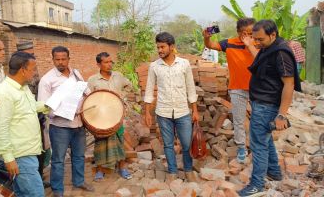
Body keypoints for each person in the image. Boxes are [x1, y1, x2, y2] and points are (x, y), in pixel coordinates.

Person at [237, 20, 301, 196]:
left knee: (258, 144)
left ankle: (256, 184)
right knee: (265, 139)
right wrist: (251, 45)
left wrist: (281, 115)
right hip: (261, 102)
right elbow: (260, 58)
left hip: (268, 105)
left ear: (273, 35)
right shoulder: (268, 47)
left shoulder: (281, 53)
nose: (257, 42)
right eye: (254, 39)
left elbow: (289, 84)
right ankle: (274, 171)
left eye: (260, 39)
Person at [38, 46, 94, 197]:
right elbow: (44, 106)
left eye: (64, 59)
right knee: (58, 160)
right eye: (57, 59)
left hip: (79, 124)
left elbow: (85, 92)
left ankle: (79, 181)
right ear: (53, 59)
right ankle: (57, 189)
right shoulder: (47, 80)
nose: (61, 62)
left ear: (69, 59)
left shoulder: (76, 74)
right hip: (60, 127)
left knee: (79, 156)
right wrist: (65, 112)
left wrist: (91, 100)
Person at [144, 32, 199, 183]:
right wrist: (147, 112)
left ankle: (188, 169)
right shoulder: (154, 66)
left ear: (171, 46)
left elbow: (190, 88)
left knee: (186, 143)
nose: (159, 50)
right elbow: (149, 90)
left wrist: (194, 110)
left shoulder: (184, 64)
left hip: (183, 111)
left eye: (162, 47)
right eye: (158, 47)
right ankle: (173, 172)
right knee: (168, 144)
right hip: (163, 112)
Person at [0, 52, 45, 196]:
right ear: (22, 70)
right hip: (20, 156)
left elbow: (31, 107)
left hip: (28, 152)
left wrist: (50, 105)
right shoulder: (3, 93)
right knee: (35, 194)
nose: (35, 73)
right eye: (33, 69)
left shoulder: (23, 87)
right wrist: (9, 159)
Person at [203, 18, 258, 163]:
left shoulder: (259, 43)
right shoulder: (230, 43)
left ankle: (257, 147)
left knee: (258, 120)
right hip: (237, 88)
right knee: (239, 120)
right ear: (238, 32)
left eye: (251, 33)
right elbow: (210, 45)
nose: (248, 36)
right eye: (244, 33)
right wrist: (206, 37)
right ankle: (241, 148)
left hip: (258, 89)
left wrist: (251, 45)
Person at [87, 52, 133, 181]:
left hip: (117, 116)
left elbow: (130, 86)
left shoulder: (118, 76)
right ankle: (100, 170)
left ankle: (122, 168)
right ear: (98, 64)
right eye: (106, 62)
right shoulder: (93, 80)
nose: (109, 64)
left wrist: (122, 95)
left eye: (110, 62)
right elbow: (88, 98)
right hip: (101, 118)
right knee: (101, 144)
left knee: (119, 142)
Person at [16, 41, 51, 188]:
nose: (32, 57)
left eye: (33, 54)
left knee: (42, 149)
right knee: (30, 152)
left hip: (38, 113)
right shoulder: (17, 71)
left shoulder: (34, 68)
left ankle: (40, 176)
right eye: (28, 55)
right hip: (25, 115)